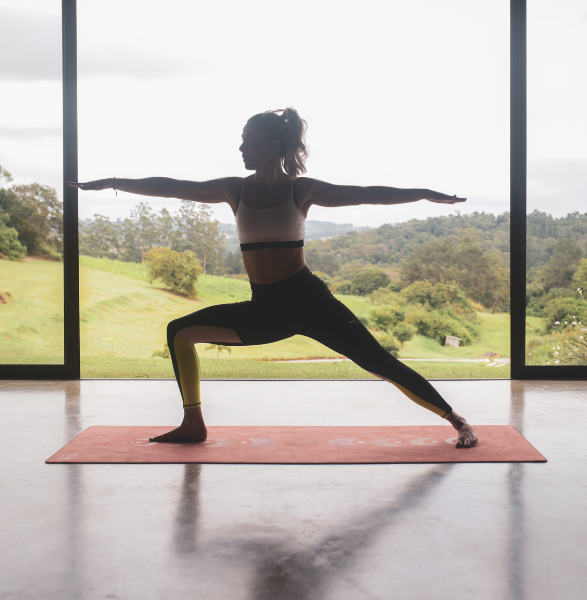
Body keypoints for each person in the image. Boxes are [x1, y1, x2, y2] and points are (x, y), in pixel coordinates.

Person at [69, 107, 478, 448]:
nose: (241, 147)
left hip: (310, 302)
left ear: (273, 145)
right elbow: (174, 186)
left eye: (248, 139)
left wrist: (423, 193)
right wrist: (112, 183)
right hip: (265, 308)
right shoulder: (235, 189)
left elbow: (368, 192)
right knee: (180, 331)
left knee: (380, 364)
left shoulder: (302, 190)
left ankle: (458, 421)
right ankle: (193, 424)